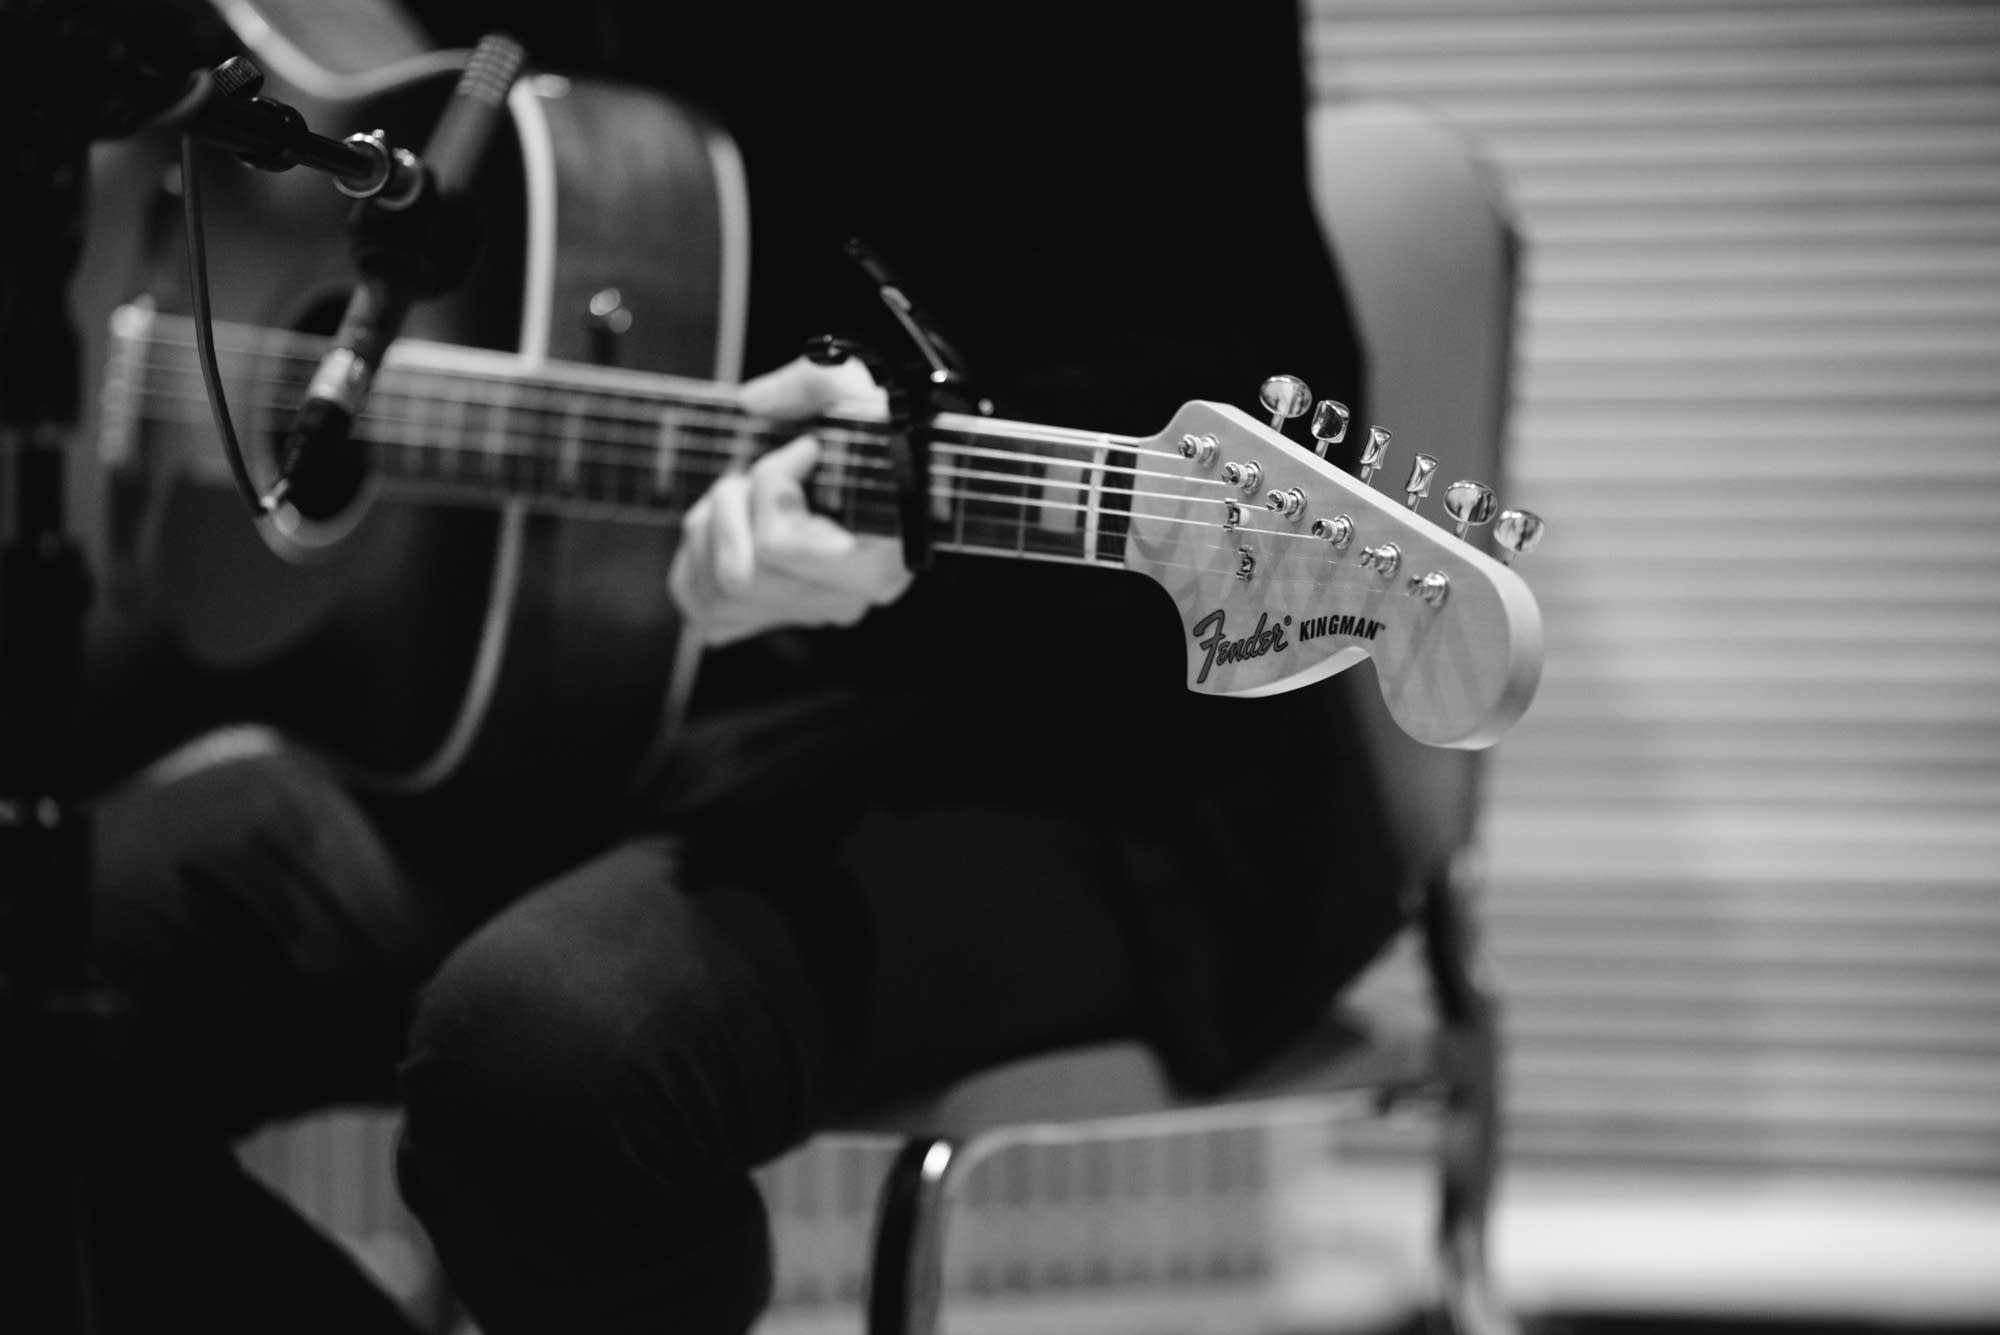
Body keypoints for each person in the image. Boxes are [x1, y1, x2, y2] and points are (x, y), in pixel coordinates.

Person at [79, 1, 1407, 1331]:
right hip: (580, 704)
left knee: (549, 1060)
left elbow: (1268, 383)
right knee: (42, 977)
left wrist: (927, 473)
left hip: (1081, 755)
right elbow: (361, 95)